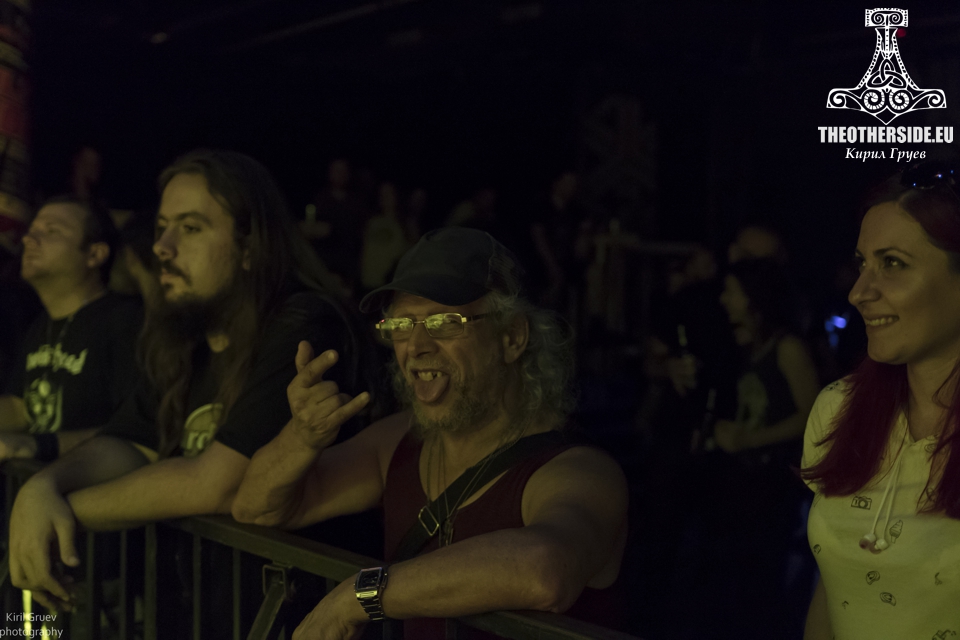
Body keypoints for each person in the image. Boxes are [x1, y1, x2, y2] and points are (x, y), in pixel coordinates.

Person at [7, 149, 369, 615]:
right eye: (162, 227)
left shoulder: (302, 324)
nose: (162, 246)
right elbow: (129, 442)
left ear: (251, 246)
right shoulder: (183, 335)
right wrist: (43, 487)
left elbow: (217, 481)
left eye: (191, 228)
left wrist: (61, 512)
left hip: (285, 616)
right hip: (192, 612)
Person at [232, 227, 628, 639]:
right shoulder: (398, 442)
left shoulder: (577, 470)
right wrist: (302, 436)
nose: (417, 346)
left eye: (444, 322)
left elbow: (544, 571)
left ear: (512, 337)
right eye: (402, 324)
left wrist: (358, 596)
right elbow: (256, 508)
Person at [801, 161, 960, 638]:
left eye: (892, 263)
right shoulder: (838, 409)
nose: (858, 292)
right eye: (862, 264)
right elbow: (833, 587)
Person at [698, 258, 820, 638]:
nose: (724, 300)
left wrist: (749, 439)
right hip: (745, 483)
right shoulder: (749, 347)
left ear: (754, 298)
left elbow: (813, 413)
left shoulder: (788, 347)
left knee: (760, 584)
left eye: (732, 291)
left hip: (773, 485)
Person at [0, 196, 142, 461]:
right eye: (32, 231)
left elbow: (138, 431)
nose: (29, 239)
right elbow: (21, 408)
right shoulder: (40, 325)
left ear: (95, 254)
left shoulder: (126, 321)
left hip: (96, 483)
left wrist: (36, 445)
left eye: (51, 231)